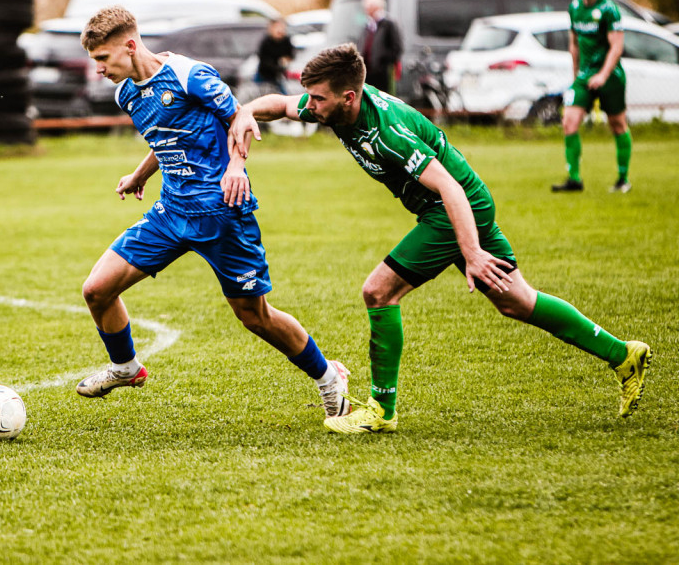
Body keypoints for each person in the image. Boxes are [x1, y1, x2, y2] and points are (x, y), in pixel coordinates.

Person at [229, 43, 651, 434]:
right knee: (516, 300)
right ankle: (623, 355)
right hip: (460, 206)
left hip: (452, 209)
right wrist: (247, 110)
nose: (310, 105)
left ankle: (381, 410)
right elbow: (282, 105)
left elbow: (449, 187)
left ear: (348, 97)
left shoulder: (386, 133)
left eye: (318, 98)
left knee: (378, 292)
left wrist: (472, 253)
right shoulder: (335, 106)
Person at [75, 6, 351, 424]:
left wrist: (236, 167)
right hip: (171, 213)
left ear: (130, 46)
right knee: (97, 289)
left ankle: (329, 377)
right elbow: (168, 134)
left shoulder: (189, 75)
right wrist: (138, 174)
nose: (98, 69)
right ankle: (126, 367)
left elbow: (239, 116)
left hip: (223, 213)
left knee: (255, 316)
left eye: (102, 59)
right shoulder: (127, 92)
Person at [553, 0, 630, 194]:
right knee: (569, 121)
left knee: (617, 124)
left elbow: (616, 47)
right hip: (584, 77)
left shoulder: (609, 9)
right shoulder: (575, 8)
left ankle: (623, 178)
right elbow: (574, 44)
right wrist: (575, 75)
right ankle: (574, 180)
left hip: (610, 75)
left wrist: (603, 75)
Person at [358, 0, 402, 94]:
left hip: (382, 72)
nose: (366, 11)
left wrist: (383, 62)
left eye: (368, 8)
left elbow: (396, 48)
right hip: (368, 70)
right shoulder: (368, 26)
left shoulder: (388, 24)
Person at [254, 17, 294, 94]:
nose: (280, 30)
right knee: (259, 93)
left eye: (282, 27)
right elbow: (263, 59)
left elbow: (291, 55)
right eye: (277, 27)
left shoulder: (286, 41)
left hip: (279, 75)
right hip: (264, 74)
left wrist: (285, 60)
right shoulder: (266, 42)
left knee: (283, 94)